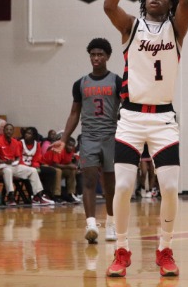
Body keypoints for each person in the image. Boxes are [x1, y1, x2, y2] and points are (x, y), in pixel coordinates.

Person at [103, 0, 188, 278]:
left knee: (169, 188)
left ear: (169, 3)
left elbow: (187, 0)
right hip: (130, 118)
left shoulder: (177, 28)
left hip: (164, 120)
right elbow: (109, 5)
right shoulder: (131, 27)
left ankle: (164, 249)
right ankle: (122, 250)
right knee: (124, 186)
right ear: (144, 1)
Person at [52, 37, 122, 243]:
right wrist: (64, 139)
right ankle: (91, 224)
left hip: (111, 137)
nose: (96, 58)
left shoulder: (117, 81)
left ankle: (111, 223)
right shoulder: (80, 84)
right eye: (93, 54)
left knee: (110, 185)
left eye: (100, 54)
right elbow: (74, 113)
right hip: (89, 137)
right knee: (89, 180)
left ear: (108, 56)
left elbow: (126, 109)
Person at [0, 123, 54, 206]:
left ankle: (38, 196)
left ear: (13, 131)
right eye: (7, 129)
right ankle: (11, 197)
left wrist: (16, 161)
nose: (9, 131)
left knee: (33, 170)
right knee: (8, 171)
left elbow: (18, 157)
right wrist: (4, 161)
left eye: (10, 130)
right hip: (1, 166)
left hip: (13, 165)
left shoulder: (15, 142)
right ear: (3, 131)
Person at [20, 127, 57, 202]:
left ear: (34, 136)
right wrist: (29, 167)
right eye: (26, 133)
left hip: (32, 166)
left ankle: (45, 194)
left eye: (29, 133)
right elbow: (18, 157)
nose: (27, 135)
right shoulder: (20, 143)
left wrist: (36, 167)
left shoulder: (37, 144)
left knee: (51, 171)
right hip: (22, 166)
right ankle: (34, 196)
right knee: (31, 173)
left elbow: (37, 158)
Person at [44, 136, 80, 203]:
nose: (71, 147)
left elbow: (68, 162)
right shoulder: (58, 149)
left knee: (72, 171)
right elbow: (55, 164)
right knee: (58, 171)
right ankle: (57, 195)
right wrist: (68, 166)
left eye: (72, 146)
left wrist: (74, 166)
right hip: (45, 165)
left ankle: (70, 194)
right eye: (69, 145)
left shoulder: (71, 151)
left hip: (57, 166)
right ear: (65, 144)